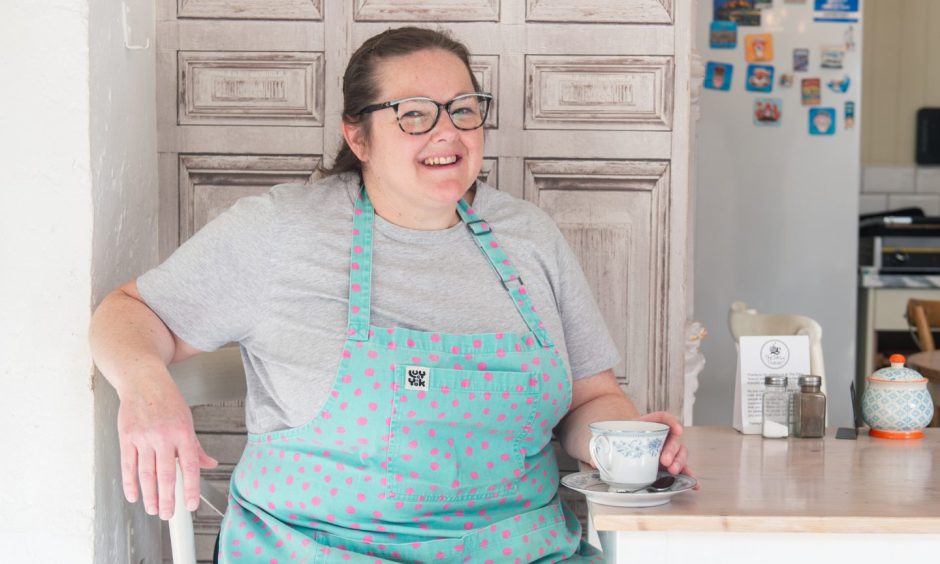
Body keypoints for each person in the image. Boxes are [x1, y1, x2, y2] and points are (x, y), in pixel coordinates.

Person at [90, 26, 691, 563]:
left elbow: (591, 395)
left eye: (464, 109)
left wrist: (624, 445)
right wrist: (148, 390)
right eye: (413, 114)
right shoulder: (281, 231)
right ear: (358, 136)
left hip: (518, 552)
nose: (447, 132)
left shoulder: (529, 236)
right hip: (317, 550)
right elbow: (130, 312)